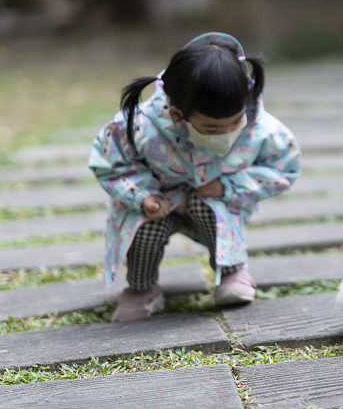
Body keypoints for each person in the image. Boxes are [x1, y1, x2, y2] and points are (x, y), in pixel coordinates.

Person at [89, 32, 300, 321]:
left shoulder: (260, 128)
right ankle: (141, 288)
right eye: (212, 129)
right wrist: (143, 195)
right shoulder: (140, 128)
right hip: (161, 203)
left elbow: (284, 166)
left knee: (212, 207)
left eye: (235, 122)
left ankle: (231, 271)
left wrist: (229, 186)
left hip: (216, 203)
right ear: (177, 114)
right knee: (145, 225)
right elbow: (110, 162)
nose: (227, 134)